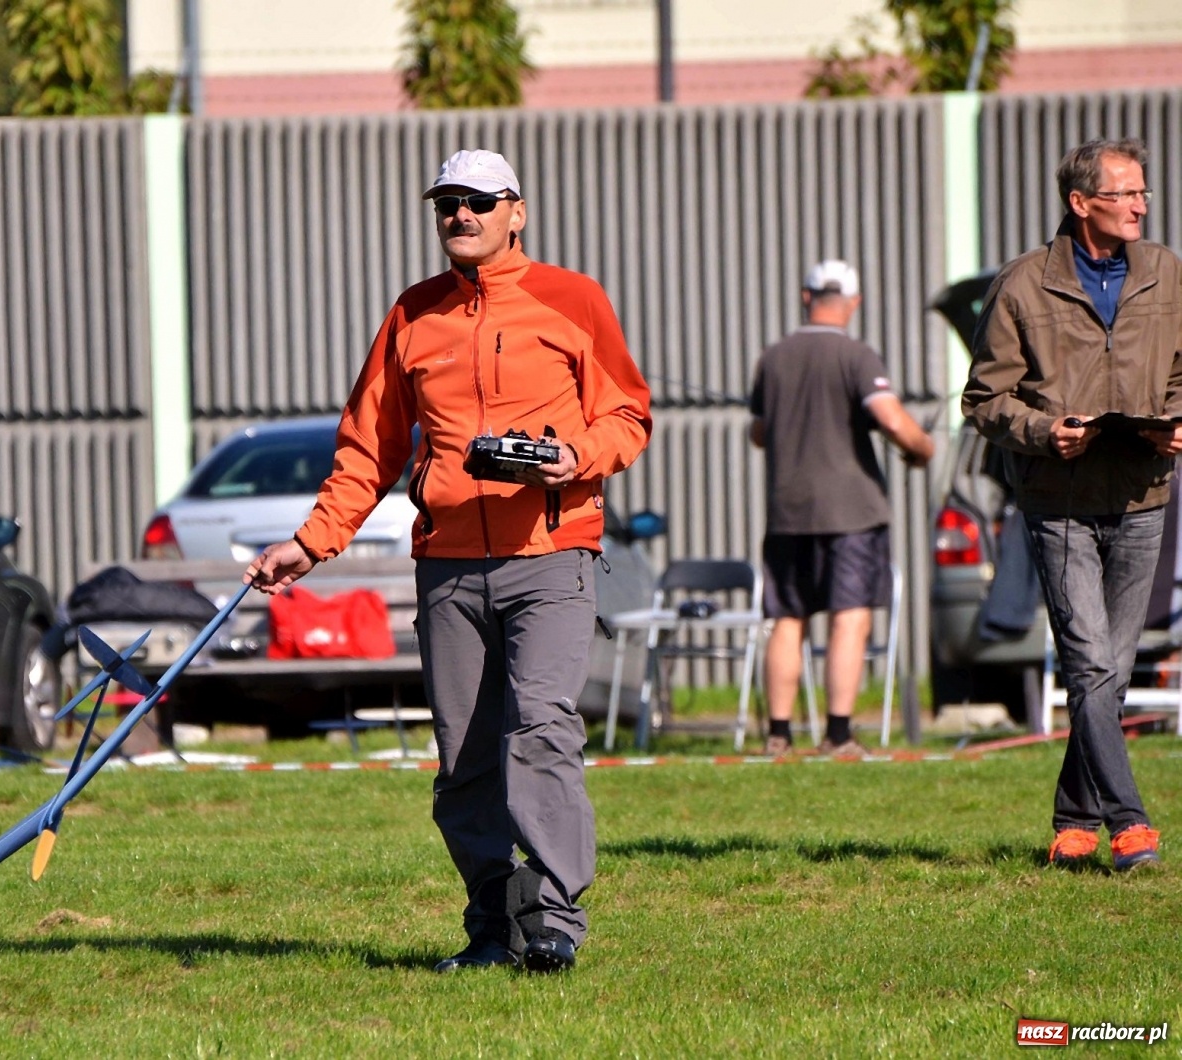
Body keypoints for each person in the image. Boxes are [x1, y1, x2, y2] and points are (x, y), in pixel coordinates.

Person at [244, 149, 651, 973]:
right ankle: (493, 928)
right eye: (446, 204)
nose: (460, 215)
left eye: (476, 201)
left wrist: (574, 456)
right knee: (464, 759)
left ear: (516, 211)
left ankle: (555, 920)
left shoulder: (574, 299)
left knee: (541, 728)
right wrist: (310, 544)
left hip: (553, 553)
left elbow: (629, 415)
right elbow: (368, 448)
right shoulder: (412, 314)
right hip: (449, 569)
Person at [964, 137, 1182, 871]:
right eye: (1124, 194)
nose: (1140, 205)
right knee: (1091, 665)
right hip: (1058, 502)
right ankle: (1129, 823)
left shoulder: (1165, 272)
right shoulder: (1023, 284)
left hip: (1144, 493)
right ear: (1081, 203)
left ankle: (1073, 815)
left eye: (1143, 192)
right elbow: (983, 399)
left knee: (1110, 671)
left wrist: (1176, 421)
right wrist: (1039, 431)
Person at [749, 260, 934, 757]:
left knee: (788, 619)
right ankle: (837, 734)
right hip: (852, 513)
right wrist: (923, 448)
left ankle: (779, 735)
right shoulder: (858, 356)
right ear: (854, 302)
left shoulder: (773, 358)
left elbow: (758, 433)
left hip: (787, 511)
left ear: (805, 296)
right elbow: (891, 420)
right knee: (849, 618)